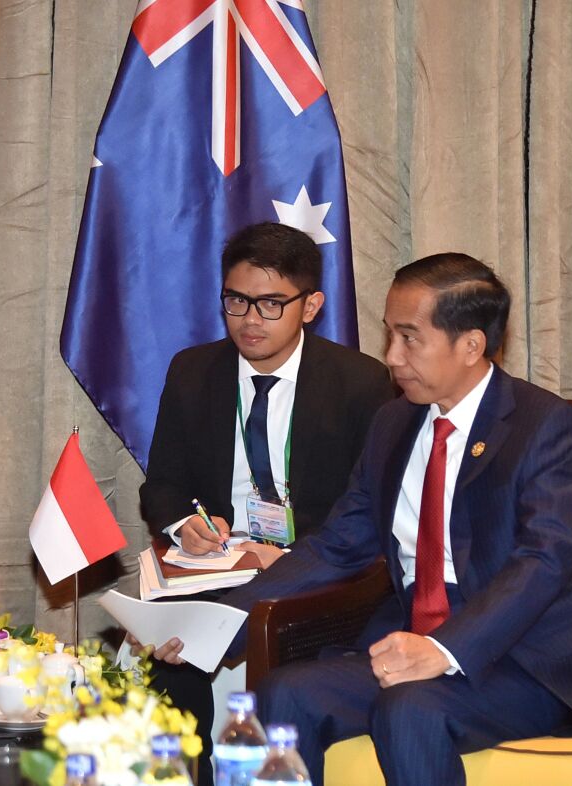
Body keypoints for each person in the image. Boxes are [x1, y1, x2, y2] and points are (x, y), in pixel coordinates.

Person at [217, 254, 572, 786]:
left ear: (470, 345)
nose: (392, 357)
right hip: (407, 642)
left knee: (409, 708)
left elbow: (543, 559)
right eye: (389, 336)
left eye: (409, 338)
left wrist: (444, 650)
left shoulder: (542, 424)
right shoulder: (393, 421)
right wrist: (218, 623)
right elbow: (337, 544)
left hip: (522, 659)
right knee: (283, 692)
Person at [136, 222, 395, 745]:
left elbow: (372, 512)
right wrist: (187, 525)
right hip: (216, 565)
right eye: (236, 300)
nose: (250, 321)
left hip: (317, 570)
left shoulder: (361, 383)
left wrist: (293, 557)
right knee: (164, 652)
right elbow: (160, 485)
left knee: (282, 666)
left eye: (271, 304)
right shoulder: (192, 371)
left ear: (312, 305)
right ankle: (188, 772)